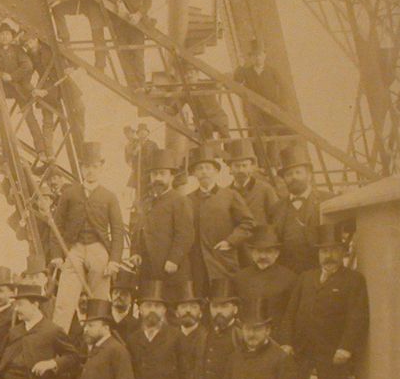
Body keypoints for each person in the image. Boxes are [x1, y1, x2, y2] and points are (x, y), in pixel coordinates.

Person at [279, 224, 369, 379]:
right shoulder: (305, 278)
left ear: (343, 252)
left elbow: (357, 317)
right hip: (301, 350)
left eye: (333, 250)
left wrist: (346, 348)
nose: (328, 256)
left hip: (333, 355)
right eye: (323, 251)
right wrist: (286, 341)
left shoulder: (353, 281)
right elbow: (290, 313)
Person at [50, 141, 125, 329]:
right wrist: (57, 255)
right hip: (74, 250)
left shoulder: (109, 196)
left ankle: (97, 344)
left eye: (94, 167)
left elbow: (117, 230)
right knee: (63, 303)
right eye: (86, 167)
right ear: (81, 168)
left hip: (98, 249)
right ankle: (58, 346)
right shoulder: (69, 193)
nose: (90, 171)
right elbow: (57, 226)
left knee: (99, 302)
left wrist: (114, 260)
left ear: (101, 168)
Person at [187, 142, 256, 286]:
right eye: (200, 168)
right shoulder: (187, 199)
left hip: (223, 261)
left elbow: (248, 223)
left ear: (216, 171)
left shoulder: (230, 195)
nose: (204, 172)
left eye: (208, 168)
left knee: (224, 300)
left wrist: (230, 241)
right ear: (194, 173)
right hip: (197, 264)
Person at [130, 146, 194, 281]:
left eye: (162, 173)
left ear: (171, 176)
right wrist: (135, 252)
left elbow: (185, 234)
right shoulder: (146, 202)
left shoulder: (180, 200)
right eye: (154, 174)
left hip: (171, 269)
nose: (158, 178)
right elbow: (137, 230)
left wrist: (174, 259)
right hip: (147, 268)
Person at [274, 141, 331, 274]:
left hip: (320, 269)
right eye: (288, 174)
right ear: (284, 179)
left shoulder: (327, 200)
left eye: (298, 172)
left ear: (309, 175)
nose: (293, 177)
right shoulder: (276, 208)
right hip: (288, 272)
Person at [232, 40, 287, 169]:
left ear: (264, 55)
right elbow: (237, 80)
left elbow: (284, 88)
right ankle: (262, 165)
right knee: (258, 136)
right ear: (251, 57)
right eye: (255, 55)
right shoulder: (247, 71)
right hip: (254, 109)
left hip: (271, 109)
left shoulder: (272, 71)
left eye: (260, 55)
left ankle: (273, 164)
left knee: (272, 135)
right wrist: (240, 66)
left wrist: (281, 106)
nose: (258, 58)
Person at [234, 225, 298, 313]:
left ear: (277, 253)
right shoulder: (240, 277)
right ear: (252, 252)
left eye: (268, 251)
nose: (263, 256)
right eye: (259, 251)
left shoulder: (290, 279)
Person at [225, 138, 282, 225]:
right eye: (237, 166)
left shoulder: (265, 189)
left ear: (252, 167)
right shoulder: (226, 193)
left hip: (261, 237)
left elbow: (278, 218)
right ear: (230, 169)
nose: (241, 170)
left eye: (244, 166)